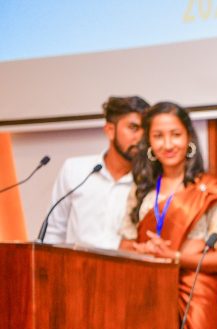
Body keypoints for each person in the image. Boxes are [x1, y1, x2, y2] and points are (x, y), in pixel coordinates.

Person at [118, 101, 217, 329]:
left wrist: (174, 257)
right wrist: (144, 252)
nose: (168, 144)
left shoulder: (210, 192)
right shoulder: (142, 189)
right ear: (149, 142)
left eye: (175, 134)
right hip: (147, 296)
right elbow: (124, 246)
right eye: (158, 136)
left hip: (196, 298)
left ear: (188, 137)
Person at [44, 95, 149, 249]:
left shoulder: (149, 180)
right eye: (133, 128)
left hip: (125, 264)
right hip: (75, 263)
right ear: (110, 131)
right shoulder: (75, 169)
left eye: (145, 130)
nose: (140, 137)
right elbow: (53, 230)